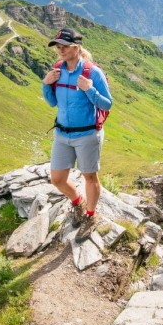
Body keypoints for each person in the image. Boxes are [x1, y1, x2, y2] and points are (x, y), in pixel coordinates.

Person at [42, 27, 113, 238]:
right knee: (57, 178)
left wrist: (89, 89)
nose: (61, 50)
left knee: (89, 176)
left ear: (77, 47)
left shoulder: (92, 72)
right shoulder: (57, 71)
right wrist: (46, 84)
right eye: (58, 47)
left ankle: (90, 216)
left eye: (65, 46)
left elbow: (107, 104)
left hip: (87, 134)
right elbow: (52, 101)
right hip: (62, 134)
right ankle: (77, 202)